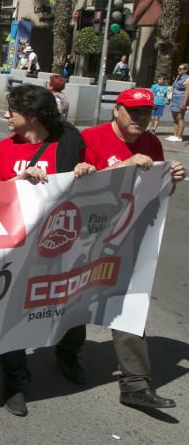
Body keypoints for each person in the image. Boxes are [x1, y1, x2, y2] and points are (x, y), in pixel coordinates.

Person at [58, 87, 184, 409]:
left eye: (146, 112)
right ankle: (67, 354)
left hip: (127, 237)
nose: (141, 118)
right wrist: (124, 166)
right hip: (87, 237)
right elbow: (77, 186)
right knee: (79, 301)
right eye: (134, 111)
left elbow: (152, 190)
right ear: (117, 111)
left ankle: (135, 384)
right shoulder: (91, 138)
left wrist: (172, 177)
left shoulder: (153, 143)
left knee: (130, 303)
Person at [0, 84, 94, 417]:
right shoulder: (3, 150)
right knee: (11, 314)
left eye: (12, 111)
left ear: (31, 116)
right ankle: (16, 382)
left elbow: (99, 189)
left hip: (61, 248)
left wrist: (85, 172)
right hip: (16, 251)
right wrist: (18, 181)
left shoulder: (70, 145)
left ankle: (68, 353)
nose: (6, 115)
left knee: (72, 302)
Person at [170, 64, 189, 141]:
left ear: (185, 70)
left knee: (180, 118)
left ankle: (179, 137)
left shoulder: (187, 79)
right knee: (175, 118)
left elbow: (187, 92)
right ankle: (175, 135)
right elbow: (173, 87)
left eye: (180, 69)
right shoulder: (178, 77)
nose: (178, 70)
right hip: (174, 99)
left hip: (181, 100)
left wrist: (184, 104)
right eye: (178, 68)